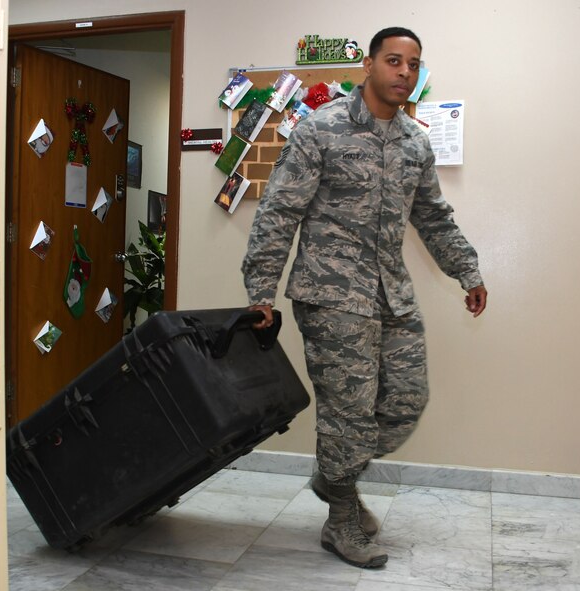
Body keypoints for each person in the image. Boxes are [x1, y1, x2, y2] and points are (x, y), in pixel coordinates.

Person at [241, 27, 487, 569]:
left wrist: (467, 270)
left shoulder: (415, 142)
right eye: (394, 61)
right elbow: (279, 211)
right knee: (348, 414)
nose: (404, 72)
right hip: (329, 294)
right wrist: (261, 288)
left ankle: (333, 479)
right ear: (370, 67)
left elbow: (433, 218)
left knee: (404, 403)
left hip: (390, 295)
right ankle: (342, 521)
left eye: (413, 64)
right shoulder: (319, 130)